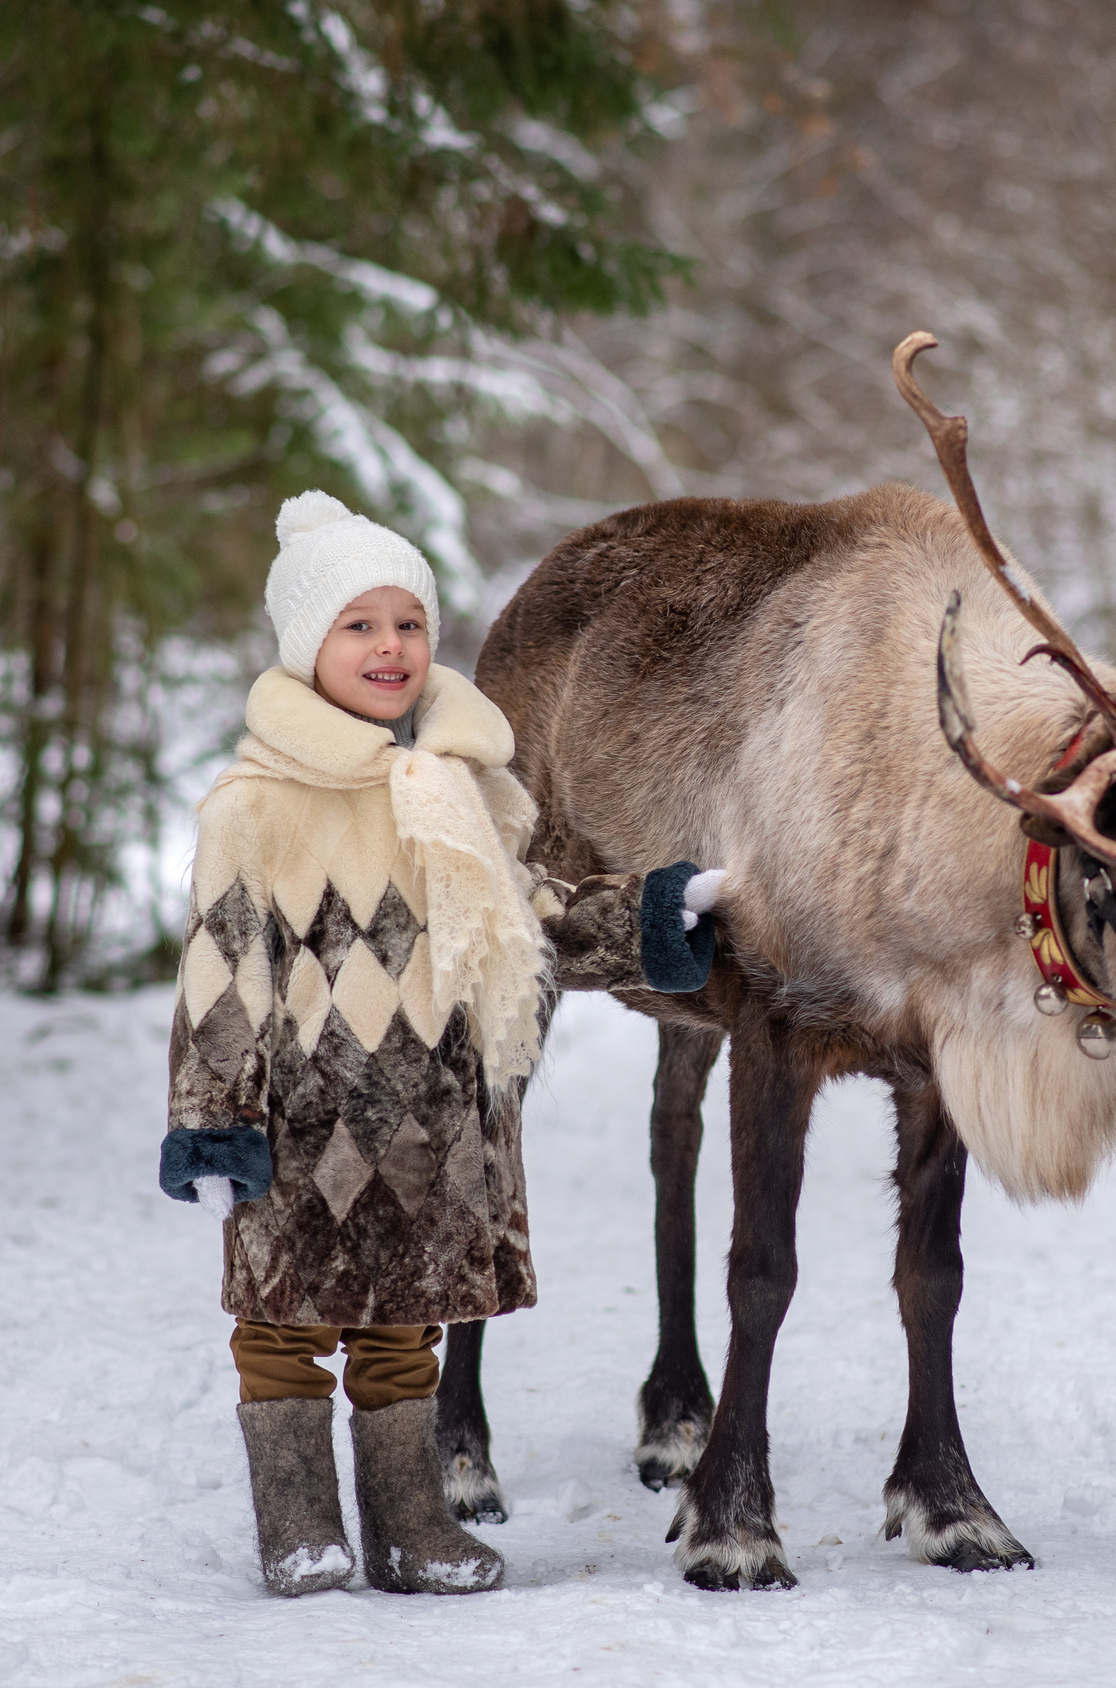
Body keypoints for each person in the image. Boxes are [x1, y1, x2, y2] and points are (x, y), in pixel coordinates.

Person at [158, 492, 720, 1596]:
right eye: (357, 625)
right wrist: (212, 1128)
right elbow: (219, 980)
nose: (388, 647)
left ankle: (413, 1527)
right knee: (282, 1326)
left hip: (431, 1126)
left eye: (407, 623)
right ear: (306, 646)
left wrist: (651, 918)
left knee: (403, 1331)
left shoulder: (467, 788)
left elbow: (534, 914)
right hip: (299, 1121)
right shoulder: (256, 803)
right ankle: (300, 1524)